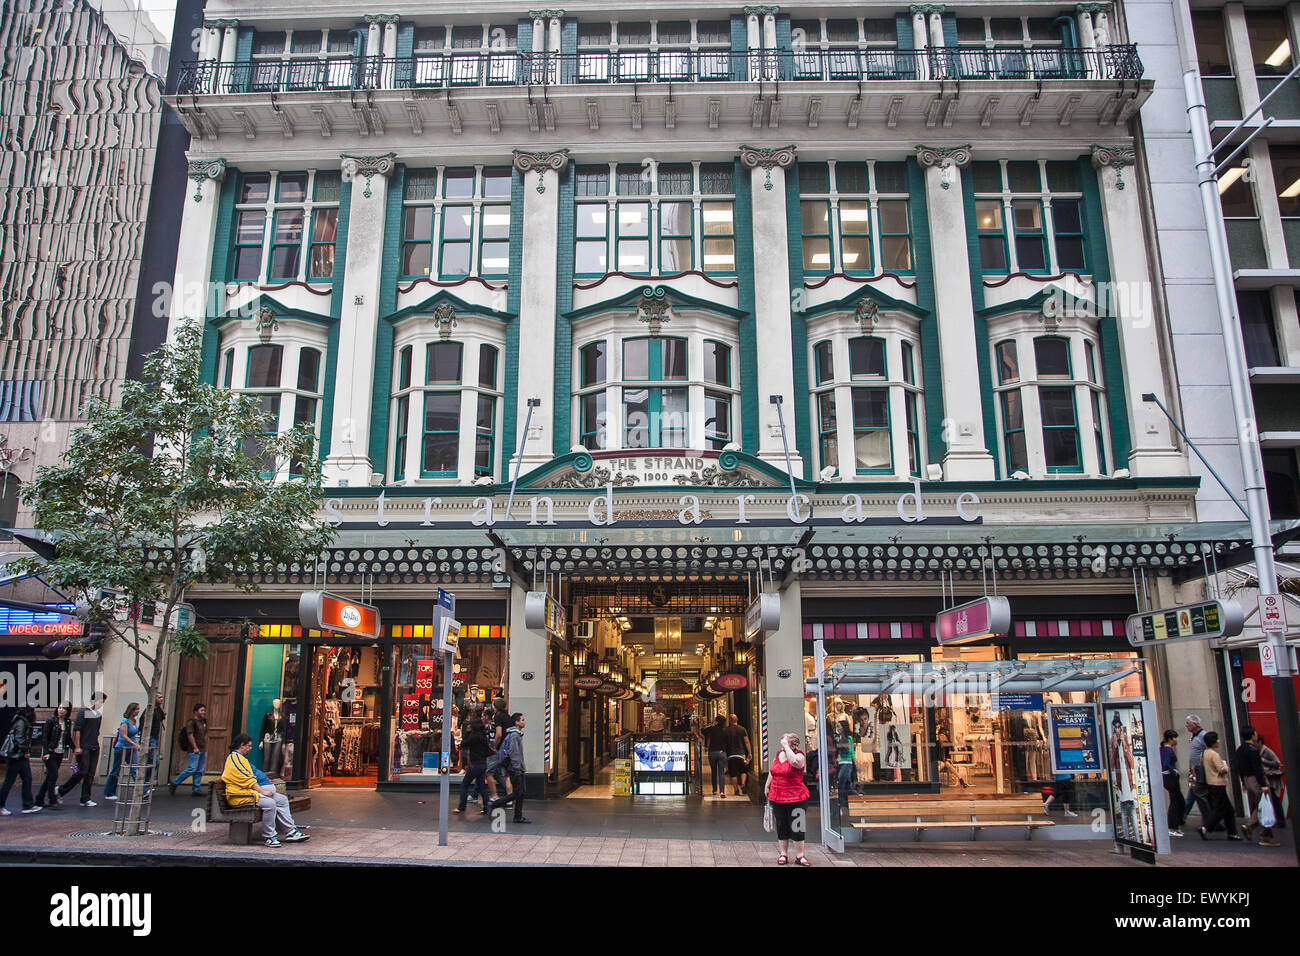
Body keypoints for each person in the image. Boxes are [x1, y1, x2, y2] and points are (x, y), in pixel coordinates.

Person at [221, 733, 309, 848]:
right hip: (240, 796)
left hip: (249, 793)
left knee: (281, 800)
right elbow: (247, 780)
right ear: (241, 745)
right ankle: (269, 836)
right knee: (270, 803)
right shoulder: (234, 759)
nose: (250, 748)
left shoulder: (240, 759)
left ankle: (291, 831)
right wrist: (263, 792)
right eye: (248, 746)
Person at [764, 732, 810, 865]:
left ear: (792, 744)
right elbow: (773, 771)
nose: (781, 743)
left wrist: (787, 747)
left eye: (784, 741)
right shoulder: (779, 754)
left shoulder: (799, 755)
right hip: (778, 797)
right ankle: (783, 854)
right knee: (782, 825)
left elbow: (795, 762)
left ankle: (800, 855)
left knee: (797, 826)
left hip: (797, 798)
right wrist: (767, 785)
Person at [57, 691, 106, 807]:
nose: (101, 704)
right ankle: (61, 790)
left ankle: (85, 798)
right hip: (84, 747)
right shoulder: (84, 712)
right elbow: (77, 730)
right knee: (82, 771)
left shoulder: (98, 715)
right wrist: (77, 746)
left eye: (103, 702)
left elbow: (96, 731)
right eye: (100, 701)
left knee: (90, 774)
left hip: (94, 746)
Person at [1236, 726, 1278, 847]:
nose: (1256, 735)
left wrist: (1244, 783)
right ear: (1252, 735)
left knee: (1260, 805)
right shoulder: (1253, 750)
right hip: (1256, 780)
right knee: (1264, 806)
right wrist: (1263, 784)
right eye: (1255, 733)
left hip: (1247, 779)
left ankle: (1256, 829)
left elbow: (1239, 768)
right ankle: (1260, 833)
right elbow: (1258, 768)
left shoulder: (1240, 749)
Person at [1197, 731, 1241, 841]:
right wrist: (1226, 767)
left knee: (1229, 810)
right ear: (1213, 742)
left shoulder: (1205, 753)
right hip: (1218, 784)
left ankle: (1232, 833)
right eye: (1217, 739)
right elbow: (1221, 769)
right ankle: (1205, 828)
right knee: (1219, 810)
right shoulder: (1214, 754)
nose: (1219, 741)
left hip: (1211, 783)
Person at [486, 713, 529, 824]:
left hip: (517, 768)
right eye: (522, 720)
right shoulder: (514, 735)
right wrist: (518, 769)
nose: (524, 721)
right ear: (517, 722)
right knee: (518, 792)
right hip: (516, 769)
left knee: (520, 792)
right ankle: (495, 804)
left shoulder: (515, 734)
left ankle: (518, 816)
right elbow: (514, 753)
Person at [0, 706, 42, 815]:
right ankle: (1, 806)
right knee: (9, 781)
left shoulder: (22, 720)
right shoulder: (21, 721)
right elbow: (19, 739)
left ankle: (28, 805)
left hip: (19, 755)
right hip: (15, 756)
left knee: (27, 778)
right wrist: (26, 751)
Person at [453, 706, 491, 815]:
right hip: (482, 763)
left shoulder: (474, 736)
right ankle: (486, 807)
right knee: (482, 786)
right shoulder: (483, 736)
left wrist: (468, 732)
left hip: (475, 764)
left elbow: (464, 743)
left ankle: (461, 807)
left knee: (464, 784)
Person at [36, 704, 72, 807]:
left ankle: (39, 798)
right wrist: (46, 752)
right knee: (54, 775)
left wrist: (74, 748)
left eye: (64, 708)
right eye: (60, 708)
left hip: (60, 752)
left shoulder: (67, 722)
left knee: (50, 776)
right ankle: (52, 799)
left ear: (67, 710)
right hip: (51, 752)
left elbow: (68, 737)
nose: (61, 710)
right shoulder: (51, 721)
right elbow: (45, 738)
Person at [103, 702, 141, 801]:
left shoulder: (134, 721)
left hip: (131, 748)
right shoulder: (125, 721)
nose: (138, 711)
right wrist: (135, 744)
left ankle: (141, 790)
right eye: (136, 709)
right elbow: (124, 735)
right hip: (122, 747)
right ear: (132, 710)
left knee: (134, 767)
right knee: (116, 770)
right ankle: (109, 792)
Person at [169, 703, 208, 796]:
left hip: (202, 748)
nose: (203, 712)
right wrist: (195, 747)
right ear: (195, 711)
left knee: (199, 770)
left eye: (204, 710)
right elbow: (190, 734)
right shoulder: (191, 722)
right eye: (201, 710)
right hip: (194, 749)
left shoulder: (203, 722)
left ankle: (196, 789)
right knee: (192, 768)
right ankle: (175, 782)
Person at [1184, 714, 1211, 825]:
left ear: (1195, 724)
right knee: (1195, 793)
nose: (1186, 726)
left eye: (1188, 724)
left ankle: (1184, 815)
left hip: (1201, 771)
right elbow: (1193, 754)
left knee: (1197, 793)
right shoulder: (1194, 737)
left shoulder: (1203, 736)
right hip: (1196, 771)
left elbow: (1208, 751)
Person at [1159, 729, 1186, 835]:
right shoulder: (1169, 750)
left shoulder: (1162, 749)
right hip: (1170, 777)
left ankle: (1176, 824)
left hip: (1166, 777)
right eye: (1175, 738)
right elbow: (1166, 763)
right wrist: (1174, 770)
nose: (1176, 740)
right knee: (1176, 801)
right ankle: (1172, 826)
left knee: (1177, 800)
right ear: (1170, 739)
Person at [1259, 733, 1285, 828]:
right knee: (1272, 801)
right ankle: (1277, 820)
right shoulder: (1258, 751)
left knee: (1275, 800)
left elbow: (1277, 763)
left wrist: (1264, 761)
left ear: (1260, 742)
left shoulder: (1267, 751)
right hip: (1267, 779)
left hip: (1273, 780)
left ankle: (1281, 821)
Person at [724, 713, 752, 795]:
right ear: (737, 720)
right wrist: (749, 753)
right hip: (741, 754)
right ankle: (743, 784)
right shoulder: (742, 729)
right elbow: (746, 742)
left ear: (729, 721)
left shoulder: (726, 730)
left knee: (733, 774)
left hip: (731, 755)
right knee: (743, 771)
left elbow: (724, 742)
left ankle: (736, 790)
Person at [143, 693, 165, 789]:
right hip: (150, 738)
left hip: (155, 738)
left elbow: (160, 720)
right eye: (159, 697)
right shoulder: (149, 711)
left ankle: (146, 782)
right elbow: (142, 725)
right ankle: (144, 782)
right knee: (154, 761)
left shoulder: (159, 710)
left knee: (152, 762)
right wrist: (146, 742)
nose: (161, 699)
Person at [703, 715, 728, 798]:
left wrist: (712, 725)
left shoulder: (712, 728)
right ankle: (722, 791)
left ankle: (714, 790)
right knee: (721, 773)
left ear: (716, 721)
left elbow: (703, 731)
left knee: (713, 771)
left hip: (712, 752)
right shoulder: (725, 730)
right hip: (721, 752)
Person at [834, 719, 856, 811]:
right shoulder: (838, 738)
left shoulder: (848, 738)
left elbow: (851, 751)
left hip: (847, 763)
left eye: (839, 726)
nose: (837, 728)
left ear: (843, 727)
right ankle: (858, 798)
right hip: (842, 762)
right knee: (847, 785)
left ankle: (842, 803)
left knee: (841, 783)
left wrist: (855, 762)